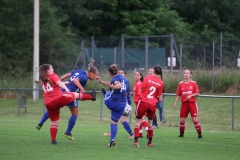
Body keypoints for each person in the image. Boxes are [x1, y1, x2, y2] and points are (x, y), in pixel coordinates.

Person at [37, 59, 98, 143]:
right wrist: (81, 88)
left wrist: (59, 80)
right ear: (91, 72)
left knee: (53, 111)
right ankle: (68, 132)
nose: (95, 77)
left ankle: (41, 123)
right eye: (95, 75)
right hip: (67, 93)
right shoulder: (84, 77)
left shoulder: (79, 71)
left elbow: (68, 74)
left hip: (55, 96)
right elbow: (75, 80)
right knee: (75, 112)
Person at [96, 64, 127, 147]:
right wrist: (101, 81)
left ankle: (105, 94)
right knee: (113, 122)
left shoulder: (115, 79)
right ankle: (112, 140)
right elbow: (112, 83)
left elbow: (118, 85)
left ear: (110, 73)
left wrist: (114, 86)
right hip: (122, 105)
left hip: (113, 102)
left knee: (108, 94)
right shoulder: (122, 78)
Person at [133, 65, 164, 147]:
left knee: (138, 121)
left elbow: (142, 88)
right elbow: (159, 96)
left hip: (143, 102)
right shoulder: (161, 83)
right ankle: (149, 142)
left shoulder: (147, 77)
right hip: (152, 104)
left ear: (153, 71)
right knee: (150, 123)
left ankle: (136, 142)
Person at [103, 68, 134, 138]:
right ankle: (112, 133)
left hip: (125, 103)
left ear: (125, 74)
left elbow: (125, 92)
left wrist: (114, 87)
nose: (120, 74)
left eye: (122, 73)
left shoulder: (125, 81)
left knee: (122, 120)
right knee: (114, 118)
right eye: (119, 73)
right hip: (119, 102)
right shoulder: (120, 80)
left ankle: (131, 134)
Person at [173, 69, 202, 139]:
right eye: (185, 73)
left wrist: (191, 95)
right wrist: (175, 102)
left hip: (192, 103)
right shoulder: (181, 84)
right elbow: (179, 94)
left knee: (194, 119)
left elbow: (197, 93)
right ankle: (181, 134)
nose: (186, 74)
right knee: (182, 120)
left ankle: (199, 134)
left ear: (190, 75)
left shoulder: (193, 83)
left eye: (188, 73)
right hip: (184, 104)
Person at [132, 70, 148, 138]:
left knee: (140, 118)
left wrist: (135, 94)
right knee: (138, 118)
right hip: (137, 102)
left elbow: (140, 93)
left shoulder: (140, 83)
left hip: (140, 102)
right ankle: (140, 134)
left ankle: (149, 131)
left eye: (138, 75)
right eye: (135, 75)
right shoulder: (136, 83)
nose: (136, 76)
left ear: (140, 76)